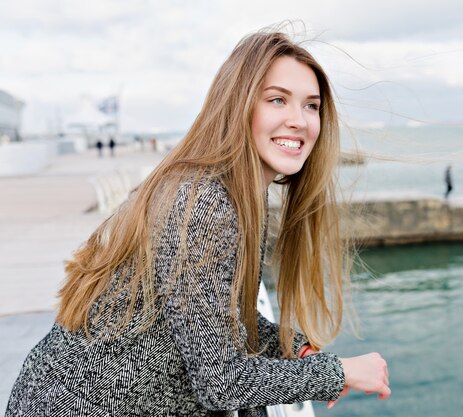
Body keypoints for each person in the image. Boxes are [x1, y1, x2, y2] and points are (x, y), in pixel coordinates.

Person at [5, 30, 390, 416]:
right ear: (238, 106)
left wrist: (294, 346)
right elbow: (221, 383)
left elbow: (214, 314)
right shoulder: (203, 201)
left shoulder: (238, 194)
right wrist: (338, 372)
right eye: (277, 100)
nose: (299, 121)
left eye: (311, 106)